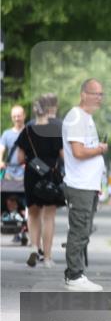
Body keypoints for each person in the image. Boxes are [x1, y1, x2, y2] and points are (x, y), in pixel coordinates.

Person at [61, 79, 108, 292]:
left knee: (84, 229)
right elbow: (78, 152)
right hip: (80, 185)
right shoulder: (77, 117)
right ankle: (74, 275)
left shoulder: (86, 118)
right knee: (79, 230)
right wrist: (99, 150)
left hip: (88, 185)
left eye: (101, 94)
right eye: (95, 93)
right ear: (83, 94)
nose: (99, 98)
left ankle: (76, 273)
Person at [16, 94, 65, 268]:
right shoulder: (55, 131)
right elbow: (63, 156)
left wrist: (31, 159)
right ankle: (48, 257)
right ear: (49, 110)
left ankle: (34, 248)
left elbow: (20, 158)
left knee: (33, 213)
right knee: (49, 217)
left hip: (31, 175)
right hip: (49, 176)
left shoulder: (27, 131)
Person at [1, 104, 28, 244]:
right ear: (12, 118)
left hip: (25, 173)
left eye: (19, 115)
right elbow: (2, 149)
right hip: (10, 173)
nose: (17, 118)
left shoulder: (29, 132)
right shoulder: (6, 134)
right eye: (14, 116)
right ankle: (14, 226)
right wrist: (0, 161)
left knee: (25, 203)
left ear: (24, 116)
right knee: (8, 199)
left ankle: (24, 230)